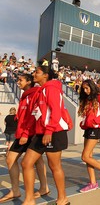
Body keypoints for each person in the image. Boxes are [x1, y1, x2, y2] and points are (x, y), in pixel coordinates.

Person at [21, 64, 70, 205]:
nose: (34, 74)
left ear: (45, 75)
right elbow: (37, 114)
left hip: (54, 132)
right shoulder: (40, 91)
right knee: (26, 163)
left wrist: (48, 131)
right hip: (41, 132)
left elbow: (56, 111)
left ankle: (63, 198)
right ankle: (29, 199)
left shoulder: (52, 88)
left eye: (37, 72)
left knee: (54, 166)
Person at [0, 74, 49, 203]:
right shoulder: (25, 96)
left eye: (20, 80)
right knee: (18, 160)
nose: (18, 82)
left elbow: (34, 115)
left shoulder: (35, 94)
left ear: (29, 81)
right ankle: (18, 190)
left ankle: (40, 189)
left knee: (26, 161)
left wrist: (26, 134)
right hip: (23, 132)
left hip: (29, 134)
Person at [78, 79, 100, 192]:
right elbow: (87, 115)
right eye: (83, 89)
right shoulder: (88, 100)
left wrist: (94, 121)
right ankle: (93, 183)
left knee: (85, 156)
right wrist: (84, 123)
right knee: (88, 157)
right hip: (89, 128)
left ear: (92, 87)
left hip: (97, 127)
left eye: (87, 88)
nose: (85, 91)